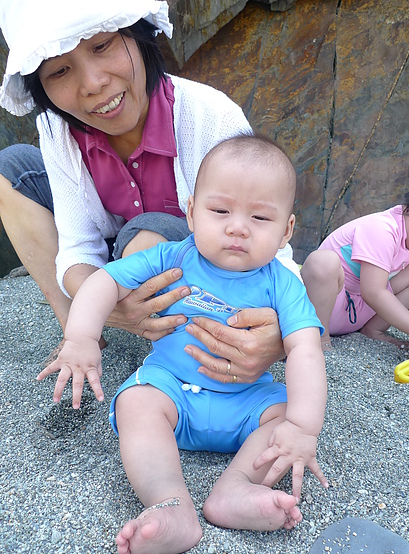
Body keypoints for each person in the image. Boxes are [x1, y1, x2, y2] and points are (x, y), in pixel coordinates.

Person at [37, 134, 328, 554]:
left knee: (284, 416)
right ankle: (170, 501)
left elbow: (306, 349)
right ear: (191, 212)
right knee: (137, 401)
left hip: (244, 401)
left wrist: (303, 428)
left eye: (260, 218)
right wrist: (80, 337)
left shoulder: (282, 283)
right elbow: (103, 281)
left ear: (286, 230)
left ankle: (235, 488)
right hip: (172, 389)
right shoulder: (171, 257)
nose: (237, 227)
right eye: (220, 210)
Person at [0, 0, 292, 383]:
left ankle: (167, 346)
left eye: (101, 46)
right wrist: (105, 304)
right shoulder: (58, 129)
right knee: (10, 168)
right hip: (114, 258)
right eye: (59, 71)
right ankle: (77, 325)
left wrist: (281, 332)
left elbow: (266, 239)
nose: (92, 83)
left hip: (187, 261)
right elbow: (78, 247)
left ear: (138, 35)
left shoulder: (210, 115)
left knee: (144, 233)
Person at [301, 163, 409, 351]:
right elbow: (374, 292)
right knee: (322, 262)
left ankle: (373, 330)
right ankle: (319, 340)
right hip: (325, 307)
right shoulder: (381, 228)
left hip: (357, 313)